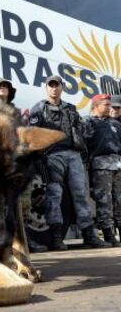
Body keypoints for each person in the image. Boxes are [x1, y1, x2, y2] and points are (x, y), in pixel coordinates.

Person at [29, 75, 109, 250]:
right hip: (52, 155)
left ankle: (89, 235)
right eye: (51, 85)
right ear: (46, 88)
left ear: (62, 87)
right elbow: (34, 134)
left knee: (81, 195)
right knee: (54, 195)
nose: (54, 89)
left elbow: (82, 131)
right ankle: (56, 238)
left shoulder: (71, 109)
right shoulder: (39, 109)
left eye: (57, 85)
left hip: (73, 155)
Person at [0, 78, 47, 253]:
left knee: (22, 203)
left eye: (5, 87)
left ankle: (24, 241)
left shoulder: (15, 112)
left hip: (14, 162)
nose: (2, 90)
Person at [85, 94, 121, 246]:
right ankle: (108, 233)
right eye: (106, 105)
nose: (109, 107)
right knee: (104, 202)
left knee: (119, 200)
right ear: (96, 106)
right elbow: (83, 145)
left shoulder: (116, 124)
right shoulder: (88, 123)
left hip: (117, 165)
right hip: (101, 166)